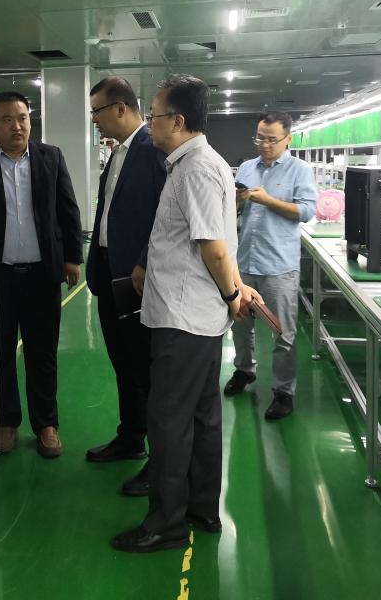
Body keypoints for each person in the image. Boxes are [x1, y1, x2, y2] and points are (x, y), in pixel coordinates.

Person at [111, 74, 259, 554]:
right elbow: (220, 242)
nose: (149, 122)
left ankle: (166, 523)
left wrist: (233, 292)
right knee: (202, 415)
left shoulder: (195, 168)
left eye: (154, 115)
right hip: (196, 315)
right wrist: (236, 287)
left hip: (183, 318)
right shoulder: (200, 163)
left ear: (177, 121)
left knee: (169, 422)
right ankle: (200, 507)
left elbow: (213, 247)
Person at [85, 77, 167, 497]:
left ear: (120, 108)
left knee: (146, 370)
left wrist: (145, 262)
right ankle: (131, 435)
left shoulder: (152, 151)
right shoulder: (117, 153)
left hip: (137, 279)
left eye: (96, 111)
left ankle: (161, 460)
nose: (94, 120)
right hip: (109, 274)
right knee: (123, 362)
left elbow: (165, 216)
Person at [0, 91, 83, 458]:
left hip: (41, 275)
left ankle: (46, 424)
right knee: (0, 352)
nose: (17, 126)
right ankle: (5, 421)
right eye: (7, 119)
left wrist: (72, 258)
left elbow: (68, 208)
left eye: (23, 118)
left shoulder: (50, 157)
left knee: (42, 353)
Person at [224, 111, 317, 419]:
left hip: (279, 266)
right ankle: (244, 370)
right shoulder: (247, 168)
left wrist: (267, 200)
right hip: (245, 262)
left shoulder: (299, 170)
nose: (264, 145)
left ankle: (283, 391)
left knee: (282, 332)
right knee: (240, 324)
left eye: (271, 140)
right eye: (259, 138)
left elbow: (306, 212)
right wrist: (238, 199)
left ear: (288, 139)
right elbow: (233, 210)